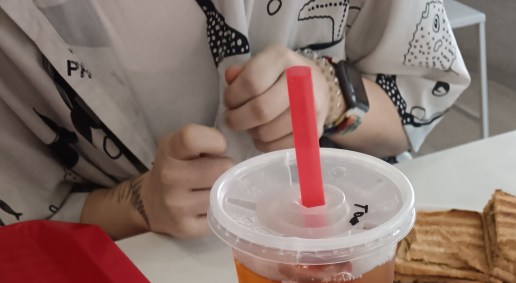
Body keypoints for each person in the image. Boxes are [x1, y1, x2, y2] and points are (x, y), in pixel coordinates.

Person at [0, 0, 469, 239]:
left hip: (351, 254)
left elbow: (419, 97)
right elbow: (25, 230)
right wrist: (138, 204)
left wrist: (333, 92)